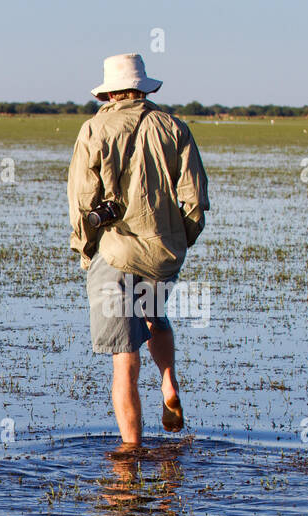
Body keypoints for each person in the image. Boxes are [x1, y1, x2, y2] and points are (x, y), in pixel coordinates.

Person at [68, 54, 209, 453]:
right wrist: (177, 241)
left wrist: (86, 253)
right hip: (162, 255)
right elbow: (195, 202)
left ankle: (130, 454)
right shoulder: (175, 128)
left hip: (113, 257)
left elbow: (81, 202)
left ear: (110, 92)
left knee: (123, 358)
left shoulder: (93, 129)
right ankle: (168, 380)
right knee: (154, 317)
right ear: (144, 88)